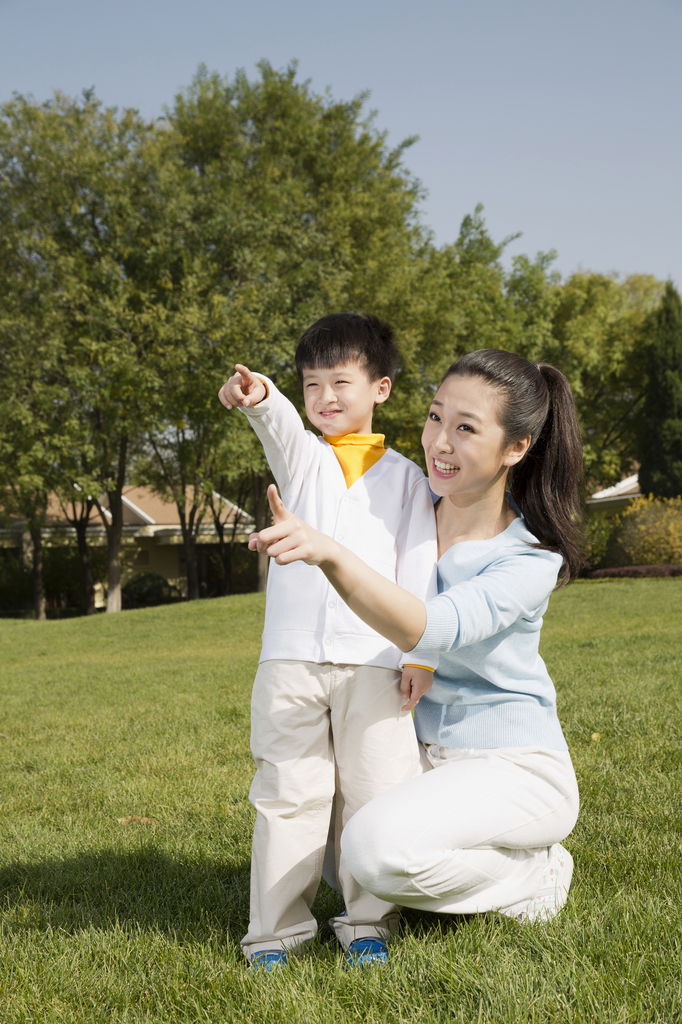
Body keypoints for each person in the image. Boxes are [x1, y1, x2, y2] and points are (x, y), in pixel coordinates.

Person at [250, 347, 585, 939]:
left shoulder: (527, 558)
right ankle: (431, 864)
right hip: (423, 755)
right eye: (435, 418)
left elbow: (426, 627)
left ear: (516, 448)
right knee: (331, 853)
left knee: (375, 853)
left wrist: (326, 550)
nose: (440, 443)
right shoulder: (412, 507)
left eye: (465, 428)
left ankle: (536, 876)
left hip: (511, 767)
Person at [218, 312, 438, 969]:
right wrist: (259, 395)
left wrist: (419, 654)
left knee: (375, 792)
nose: (325, 398)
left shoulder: (406, 478)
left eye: (341, 381)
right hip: (289, 662)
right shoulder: (304, 460)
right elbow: (278, 422)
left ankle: (367, 923)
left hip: (374, 661)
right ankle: (273, 934)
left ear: (382, 388)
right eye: (312, 384)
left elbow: (419, 566)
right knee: (288, 795)